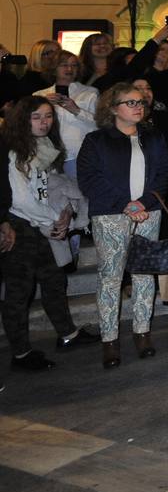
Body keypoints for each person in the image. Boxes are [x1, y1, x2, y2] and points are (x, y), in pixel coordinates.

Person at [2, 97, 100, 371]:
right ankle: (20, 354)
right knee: (19, 293)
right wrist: (53, 220)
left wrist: (66, 211)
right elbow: (20, 199)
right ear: (23, 119)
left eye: (48, 116)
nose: (44, 122)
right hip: (22, 226)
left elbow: (53, 187)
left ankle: (68, 335)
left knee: (55, 281)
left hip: (45, 224)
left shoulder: (46, 147)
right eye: (36, 117)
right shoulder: (14, 152)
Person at [77, 82, 168, 369]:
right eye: (130, 102)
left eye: (140, 102)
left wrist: (143, 202)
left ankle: (142, 333)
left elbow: (164, 173)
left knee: (144, 275)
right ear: (113, 108)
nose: (138, 106)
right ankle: (110, 340)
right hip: (111, 215)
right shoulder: (96, 141)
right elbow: (89, 179)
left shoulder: (153, 138)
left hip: (148, 212)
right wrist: (125, 204)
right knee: (111, 278)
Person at [36, 52, 99, 177]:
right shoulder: (39, 95)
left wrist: (77, 110)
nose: (69, 69)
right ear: (54, 69)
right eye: (64, 65)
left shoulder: (90, 93)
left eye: (74, 65)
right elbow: (29, 125)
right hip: (47, 155)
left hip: (78, 155)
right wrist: (44, 105)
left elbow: (100, 124)